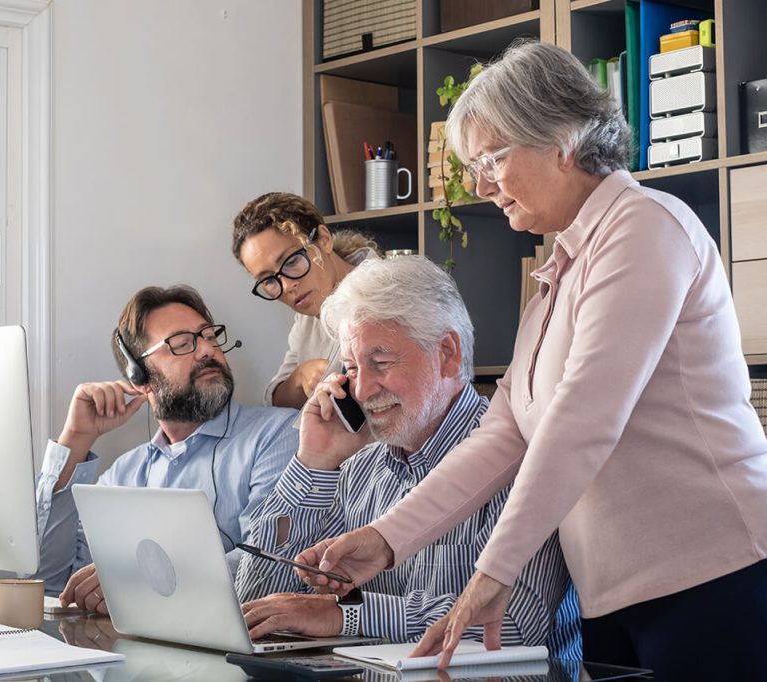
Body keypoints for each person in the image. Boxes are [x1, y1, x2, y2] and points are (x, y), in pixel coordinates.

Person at [293, 41, 767, 677]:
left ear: (562, 138)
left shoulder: (645, 228)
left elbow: (583, 419)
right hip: (615, 594)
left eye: (492, 158)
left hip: (710, 573)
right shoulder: (561, 272)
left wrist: (495, 568)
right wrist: (386, 540)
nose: (482, 184)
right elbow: (503, 434)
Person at [235, 256, 580, 658]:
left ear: (447, 354)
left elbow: (517, 625)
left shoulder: (520, 458)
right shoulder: (358, 470)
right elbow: (254, 602)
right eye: (350, 367)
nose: (361, 390)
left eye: (380, 363)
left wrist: (347, 614)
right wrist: (313, 464)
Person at [33, 285, 299, 612]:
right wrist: (75, 439)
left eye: (209, 336)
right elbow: (46, 581)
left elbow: (268, 568)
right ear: (140, 376)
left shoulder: (279, 433)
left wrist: (136, 581)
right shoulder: (124, 476)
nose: (206, 350)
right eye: (182, 343)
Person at [232, 192, 380, 409]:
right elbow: (275, 401)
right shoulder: (308, 314)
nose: (286, 286)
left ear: (324, 239)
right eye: (268, 280)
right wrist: (300, 377)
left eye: (291, 261)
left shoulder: (388, 295)